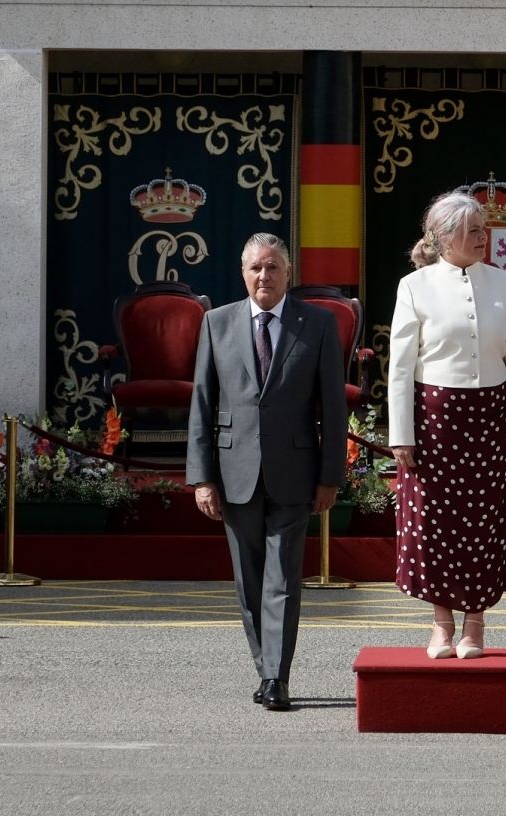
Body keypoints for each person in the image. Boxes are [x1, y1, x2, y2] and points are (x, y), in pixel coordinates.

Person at [186, 233, 345, 712]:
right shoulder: (217, 323)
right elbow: (202, 403)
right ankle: (264, 665)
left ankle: (277, 676)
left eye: (273, 267)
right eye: (256, 267)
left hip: (295, 474)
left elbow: (333, 409)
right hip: (234, 474)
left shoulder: (316, 325)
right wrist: (202, 478)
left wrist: (329, 477)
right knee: (249, 581)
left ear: (288, 273)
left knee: (282, 579)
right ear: (242, 273)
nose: (264, 276)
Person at [388, 191, 506, 662]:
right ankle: (441, 624)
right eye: (472, 230)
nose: (482, 237)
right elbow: (399, 366)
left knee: (483, 522)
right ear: (444, 237)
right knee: (436, 523)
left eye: (483, 229)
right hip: (435, 420)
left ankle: (475, 623)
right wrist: (401, 433)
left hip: (488, 418)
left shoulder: (503, 283)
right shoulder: (414, 286)